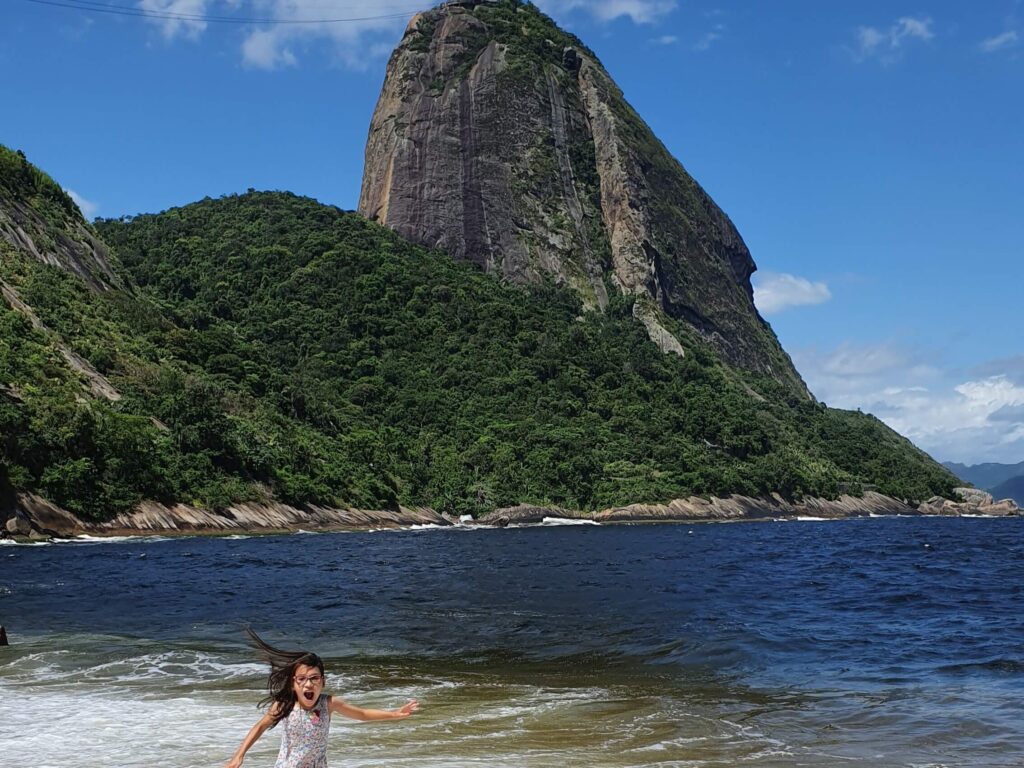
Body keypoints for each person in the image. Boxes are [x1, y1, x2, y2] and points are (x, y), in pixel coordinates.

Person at [225, 629, 419, 768]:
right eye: (302, 679)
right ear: (293, 683)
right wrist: (239, 756)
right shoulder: (285, 704)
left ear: (323, 682)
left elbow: (362, 714)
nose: (308, 684)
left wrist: (395, 714)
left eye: (314, 678)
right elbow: (259, 726)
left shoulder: (328, 704)